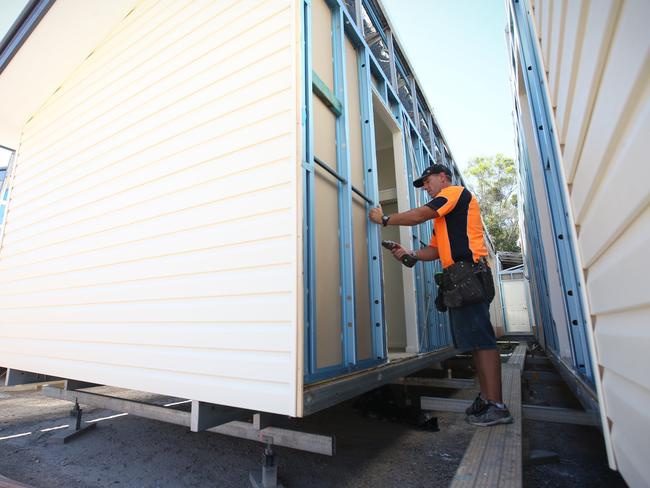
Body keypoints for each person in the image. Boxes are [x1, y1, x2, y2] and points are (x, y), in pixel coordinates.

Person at [369, 164, 512, 427]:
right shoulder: (443, 217)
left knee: (482, 341)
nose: (425, 186)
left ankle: (497, 406)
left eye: (427, 181)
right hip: (459, 280)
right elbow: (434, 250)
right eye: (423, 183)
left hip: (469, 275)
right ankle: (487, 399)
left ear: (443, 177)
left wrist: (385, 219)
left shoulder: (454, 193)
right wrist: (409, 253)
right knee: (474, 343)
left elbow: (419, 215)